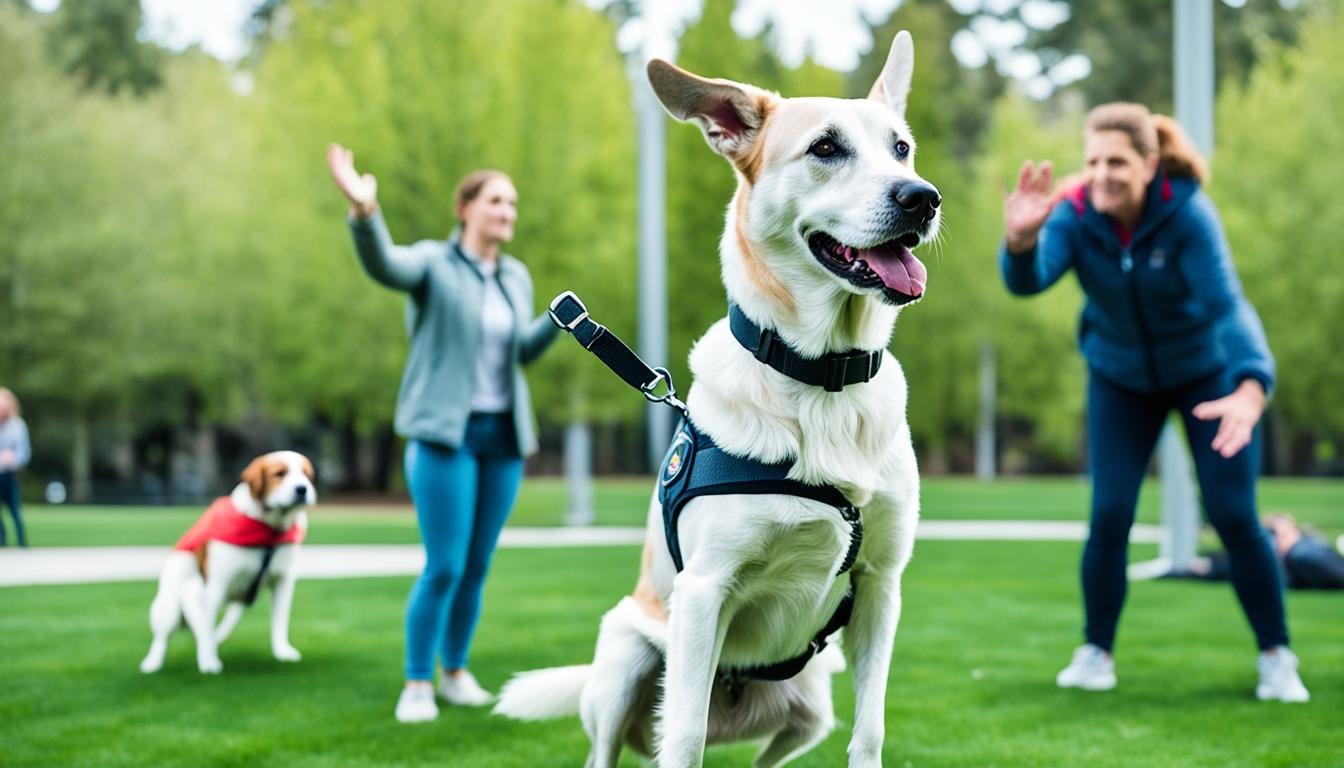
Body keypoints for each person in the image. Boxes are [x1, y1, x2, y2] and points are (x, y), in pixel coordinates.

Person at [999, 103, 1309, 702]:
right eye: (1092, 161)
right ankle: (1095, 653)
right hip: (1119, 377)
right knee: (1110, 515)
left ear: (1148, 163)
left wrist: (1251, 386)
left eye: (1117, 161)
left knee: (1234, 514)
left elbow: (1227, 305)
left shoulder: (1188, 214)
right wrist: (1019, 241)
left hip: (1206, 376)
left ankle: (1277, 657)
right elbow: (1030, 281)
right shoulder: (1074, 215)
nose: (1103, 173)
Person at [325, 144, 560, 722]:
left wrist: (557, 323)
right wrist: (365, 213)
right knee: (445, 566)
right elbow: (385, 265)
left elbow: (518, 355)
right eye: (495, 200)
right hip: (443, 436)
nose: (507, 211)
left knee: (477, 566)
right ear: (465, 208)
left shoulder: (515, 275)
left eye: (512, 203)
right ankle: (416, 683)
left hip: (501, 440)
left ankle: (455, 672)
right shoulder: (433, 262)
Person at [1179, 513, 1344, 591]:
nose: (1278, 539)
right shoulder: (1285, 556)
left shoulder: (1303, 552)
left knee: (1301, 556)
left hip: (1302, 558)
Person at [0, 387, 31, 548]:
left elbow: (24, 453)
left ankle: (21, 541)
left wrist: (12, 459)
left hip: (9, 474)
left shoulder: (18, 426)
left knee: (15, 510)